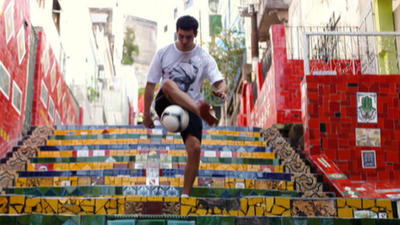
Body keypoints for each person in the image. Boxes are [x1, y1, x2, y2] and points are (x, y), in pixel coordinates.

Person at [143, 15, 228, 197]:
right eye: (181, 36)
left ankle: (185, 197)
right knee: (166, 84)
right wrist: (146, 113)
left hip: (190, 107)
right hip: (167, 102)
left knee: (195, 148)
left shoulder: (204, 58)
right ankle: (201, 111)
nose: (184, 41)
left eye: (188, 37)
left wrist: (222, 91)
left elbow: (220, 83)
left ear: (195, 34)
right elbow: (151, 85)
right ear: (177, 32)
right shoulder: (163, 53)